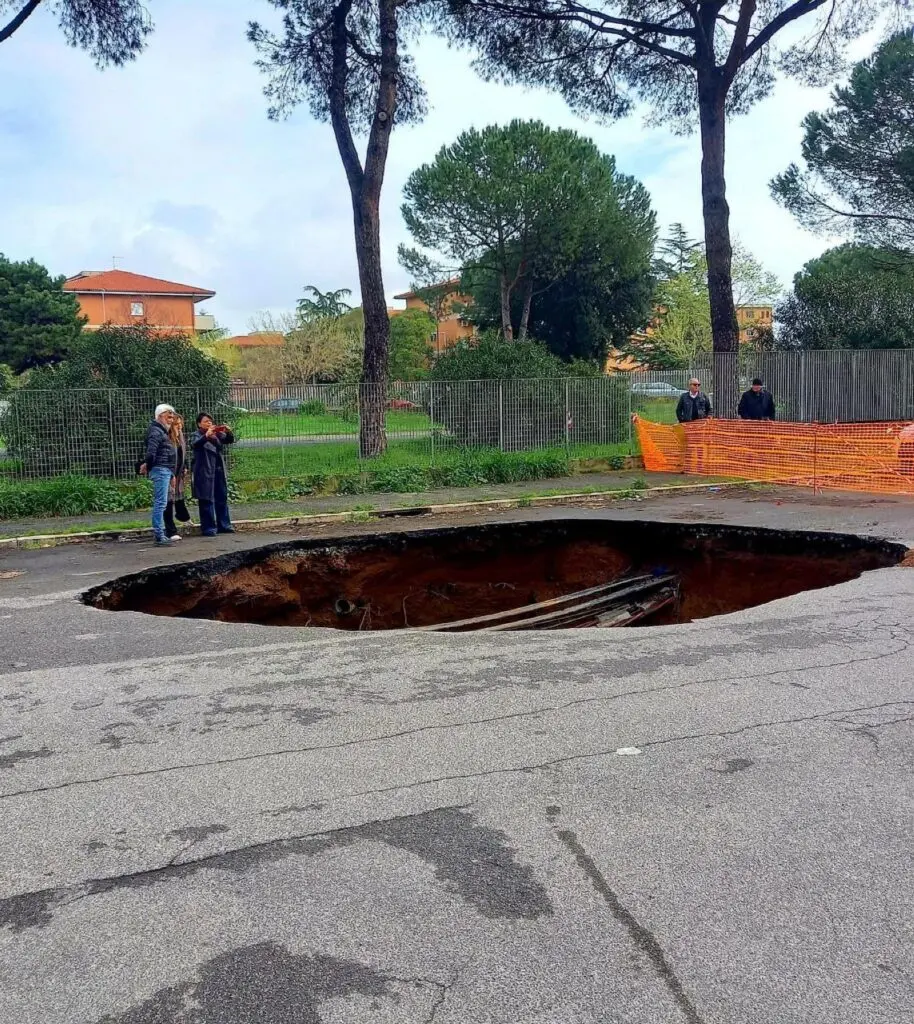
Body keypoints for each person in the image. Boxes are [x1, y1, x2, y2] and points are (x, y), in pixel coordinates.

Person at [191, 412, 236, 536]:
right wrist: (206, 436)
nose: (209, 423)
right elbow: (195, 444)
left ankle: (224, 525)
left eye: (210, 421)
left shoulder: (216, 434)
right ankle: (208, 527)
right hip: (204, 471)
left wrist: (228, 431)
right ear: (199, 424)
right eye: (206, 421)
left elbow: (229, 440)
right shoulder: (196, 435)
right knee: (207, 500)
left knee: (221, 497)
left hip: (218, 470)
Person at [143, 404, 177, 545]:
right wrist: (149, 465)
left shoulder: (161, 431)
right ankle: (159, 534)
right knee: (161, 503)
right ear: (160, 416)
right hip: (161, 469)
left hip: (165, 469)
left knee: (162, 503)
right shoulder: (157, 431)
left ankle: (160, 533)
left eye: (172, 417)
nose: (171, 419)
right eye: (168, 416)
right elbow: (151, 452)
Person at [163, 414, 191, 541]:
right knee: (168, 501)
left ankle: (183, 517)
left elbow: (182, 454)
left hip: (179, 473)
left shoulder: (181, 437)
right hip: (169, 473)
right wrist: (170, 473)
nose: (179, 426)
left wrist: (185, 466)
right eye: (176, 424)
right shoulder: (168, 438)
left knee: (179, 497)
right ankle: (170, 530)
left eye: (180, 423)